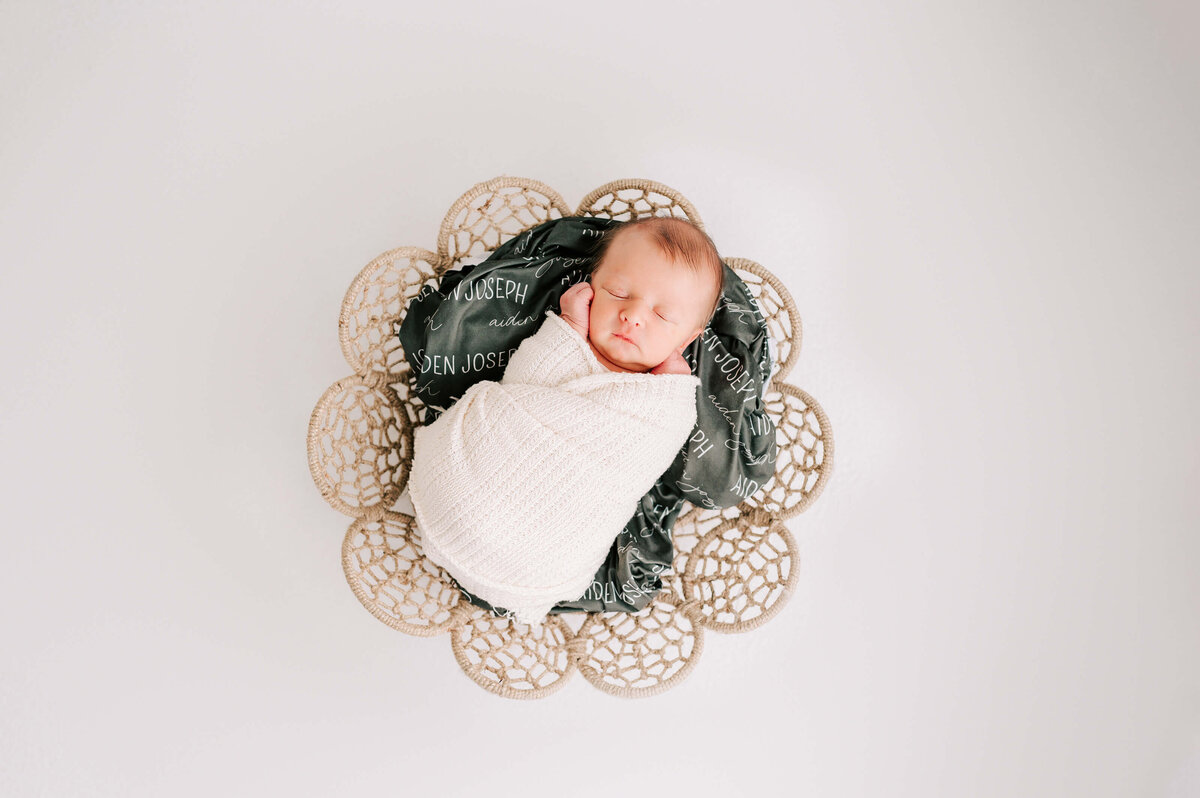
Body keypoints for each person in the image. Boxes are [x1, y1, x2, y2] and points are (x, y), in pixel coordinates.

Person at [407, 217, 726, 625]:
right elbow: (526, 377)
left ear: (685, 340)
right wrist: (569, 326)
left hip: (546, 556)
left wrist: (675, 385)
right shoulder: (563, 340)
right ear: (591, 289)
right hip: (462, 499)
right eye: (618, 292)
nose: (632, 316)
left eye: (663, 316)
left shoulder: (664, 404)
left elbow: (646, 457)